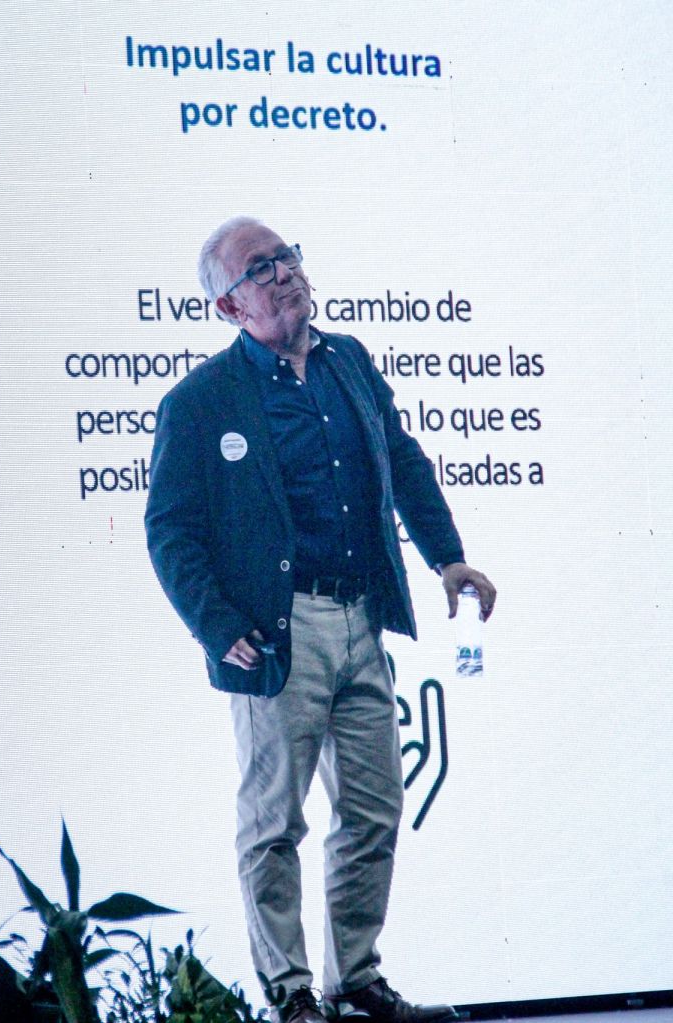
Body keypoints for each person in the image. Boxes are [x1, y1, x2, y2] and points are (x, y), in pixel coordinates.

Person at [145, 217, 496, 1023]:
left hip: (362, 617)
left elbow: (402, 460)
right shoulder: (199, 402)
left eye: (286, 256)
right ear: (230, 308)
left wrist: (448, 558)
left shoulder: (350, 361)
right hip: (279, 634)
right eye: (259, 269)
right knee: (274, 824)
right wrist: (215, 624)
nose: (283, 273)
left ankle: (355, 980)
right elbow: (169, 529)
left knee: (373, 811)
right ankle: (290, 994)